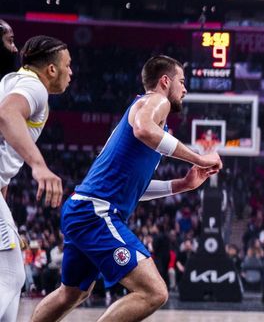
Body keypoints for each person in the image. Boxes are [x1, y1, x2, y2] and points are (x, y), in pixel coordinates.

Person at [31, 55, 222, 322]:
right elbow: (144, 129)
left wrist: (183, 184)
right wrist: (199, 158)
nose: (185, 89)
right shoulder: (156, 101)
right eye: (182, 81)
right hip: (96, 213)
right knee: (154, 292)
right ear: (165, 81)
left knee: (71, 294)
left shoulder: (150, 120)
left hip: (83, 209)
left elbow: (135, 189)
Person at [0, 36, 71, 322]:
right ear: (51, 70)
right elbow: (6, 114)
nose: (71, 72)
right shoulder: (34, 87)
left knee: (9, 278)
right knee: (11, 275)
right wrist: (39, 165)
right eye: (68, 65)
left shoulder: (10, 80)